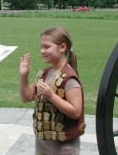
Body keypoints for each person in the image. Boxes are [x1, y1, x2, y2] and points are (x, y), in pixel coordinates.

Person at [19, 26, 86, 155]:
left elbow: (76, 112)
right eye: (41, 47)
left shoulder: (69, 78)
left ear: (62, 47)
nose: (42, 51)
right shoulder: (44, 73)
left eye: (46, 47)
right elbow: (26, 97)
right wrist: (24, 75)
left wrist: (52, 96)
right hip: (43, 143)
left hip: (64, 147)